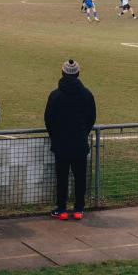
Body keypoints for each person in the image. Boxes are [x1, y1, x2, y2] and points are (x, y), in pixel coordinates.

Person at [44, 59, 96, 220]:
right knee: (80, 177)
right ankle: (79, 208)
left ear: (63, 73)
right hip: (80, 143)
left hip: (61, 144)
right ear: (78, 73)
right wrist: (82, 133)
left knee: (62, 178)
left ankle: (62, 209)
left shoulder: (56, 95)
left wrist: (56, 136)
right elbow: (91, 118)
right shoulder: (86, 94)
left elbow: (48, 119)